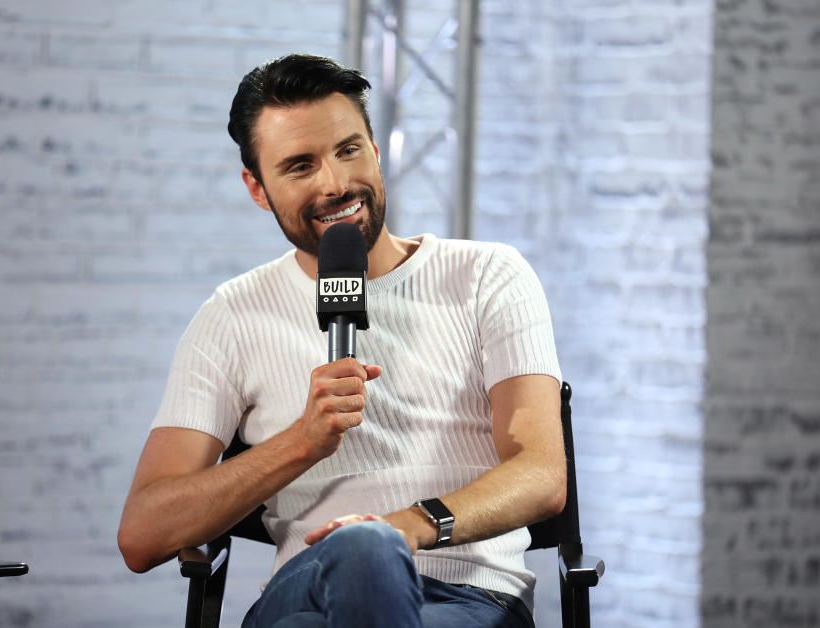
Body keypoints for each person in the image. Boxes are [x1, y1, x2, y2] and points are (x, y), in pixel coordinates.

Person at [118, 54, 566, 628]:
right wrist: (301, 442)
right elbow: (143, 534)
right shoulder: (232, 316)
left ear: (376, 151)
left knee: (360, 559)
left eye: (348, 150)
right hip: (308, 584)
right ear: (257, 188)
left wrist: (405, 526)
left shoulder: (488, 277)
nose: (335, 183)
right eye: (300, 166)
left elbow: (542, 473)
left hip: (467, 598)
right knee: (351, 562)